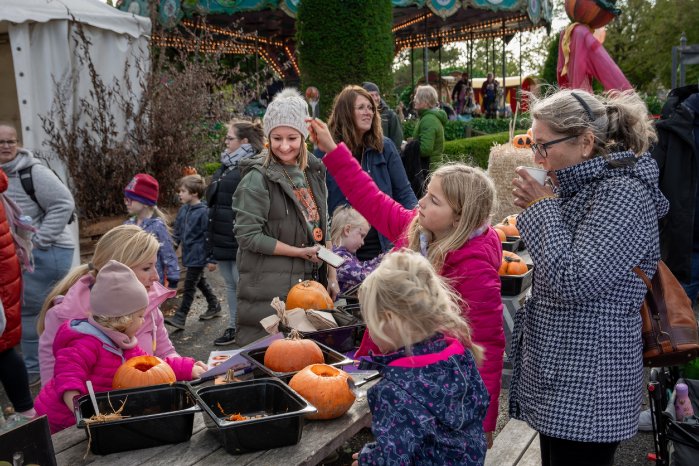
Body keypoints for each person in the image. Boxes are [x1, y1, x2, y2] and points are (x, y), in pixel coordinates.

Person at [309, 117, 505, 448]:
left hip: (430, 384)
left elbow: (488, 344)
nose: (421, 203)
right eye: (426, 194)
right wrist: (332, 149)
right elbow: (372, 199)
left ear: (459, 217)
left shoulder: (473, 267)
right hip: (390, 362)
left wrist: (485, 420)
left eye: (433, 200)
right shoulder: (418, 230)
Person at [508, 89, 668, 465]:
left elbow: (574, 279)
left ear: (585, 142)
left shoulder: (623, 194)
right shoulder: (581, 186)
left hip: (591, 384)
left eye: (544, 146)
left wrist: (542, 207)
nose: (536, 157)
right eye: (533, 144)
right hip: (564, 375)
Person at [350, 251, 489, 465]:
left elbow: (394, 458)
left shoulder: (394, 391)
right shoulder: (459, 357)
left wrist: (368, 460)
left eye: (370, 321)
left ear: (389, 319)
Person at [34, 260, 206, 433]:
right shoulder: (84, 341)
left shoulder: (123, 343)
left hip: (95, 420)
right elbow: (68, 379)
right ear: (123, 318)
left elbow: (153, 366)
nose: (142, 320)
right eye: (140, 316)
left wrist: (188, 369)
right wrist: (82, 412)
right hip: (61, 423)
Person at [233, 88, 338, 346]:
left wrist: (332, 276)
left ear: (303, 137)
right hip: (270, 296)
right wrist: (298, 252)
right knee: (277, 363)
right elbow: (248, 236)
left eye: (292, 138)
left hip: (311, 286)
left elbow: (323, 227)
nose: (284, 146)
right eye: (276, 138)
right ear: (268, 137)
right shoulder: (256, 179)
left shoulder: (314, 172)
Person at [37, 224, 189, 387]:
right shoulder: (63, 317)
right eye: (146, 268)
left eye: (155, 265)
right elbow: (52, 384)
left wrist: (187, 368)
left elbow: (165, 353)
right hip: (96, 411)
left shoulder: (149, 305)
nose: (156, 277)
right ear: (116, 271)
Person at [0, 122, 75, 387]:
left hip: (48, 252)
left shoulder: (31, 172)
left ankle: (36, 373)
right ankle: (52, 367)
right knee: (43, 312)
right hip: (28, 255)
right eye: (1, 142)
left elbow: (64, 203)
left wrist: (38, 241)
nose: (7, 147)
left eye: (11, 141)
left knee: (31, 312)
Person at [320, 85, 417, 261]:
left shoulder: (384, 147)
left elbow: (404, 192)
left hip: (382, 246)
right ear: (346, 112)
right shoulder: (325, 151)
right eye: (361, 107)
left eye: (371, 108)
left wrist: (416, 228)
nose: (369, 112)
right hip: (340, 248)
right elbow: (318, 202)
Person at [206, 120, 266, 346]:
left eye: (230, 138)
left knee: (244, 285)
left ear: (244, 141)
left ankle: (250, 328)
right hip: (222, 235)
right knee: (230, 284)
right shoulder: (226, 165)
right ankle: (233, 326)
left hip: (240, 237)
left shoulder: (251, 166)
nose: (226, 142)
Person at [0, 167, 35, 420]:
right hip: (5, 278)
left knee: (4, 349)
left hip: (2, 282)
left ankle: (25, 413)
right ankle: (26, 412)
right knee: (5, 349)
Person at [164, 175, 221, 331]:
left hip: (199, 255)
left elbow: (209, 236)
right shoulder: (183, 210)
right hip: (189, 255)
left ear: (194, 193)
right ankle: (214, 304)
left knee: (189, 285)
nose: (179, 194)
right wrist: (170, 251)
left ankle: (181, 317)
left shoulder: (204, 212)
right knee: (199, 281)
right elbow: (177, 233)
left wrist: (211, 259)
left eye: (183, 191)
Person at [123, 173, 180, 290]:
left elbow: (168, 254)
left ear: (144, 202)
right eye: (125, 199)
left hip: (151, 283)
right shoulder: (127, 225)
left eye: (130, 199)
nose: (126, 203)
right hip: (129, 282)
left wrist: (173, 279)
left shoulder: (157, 227)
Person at [329, 205, 383, 294]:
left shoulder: (343, 255)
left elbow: (362, 266)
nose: (363, 242)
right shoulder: (337, 258)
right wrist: (386, 264)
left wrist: (382, 259)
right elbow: (364, 276)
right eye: (361, 235)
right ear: (347, 230)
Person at [412, 85, 447, 197]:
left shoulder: (428, 120)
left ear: (425, 102)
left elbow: (426, 149)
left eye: (417, 97)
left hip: (428, 171)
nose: (414, 100)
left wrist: (409, 146)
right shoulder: (429, 117)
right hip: (432, 168)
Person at [361, 82, 403, 150]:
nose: (375, 98)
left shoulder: (390, 115)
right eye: (371, 95)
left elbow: (397, 141)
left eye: (377, 95)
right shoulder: (362, 115)